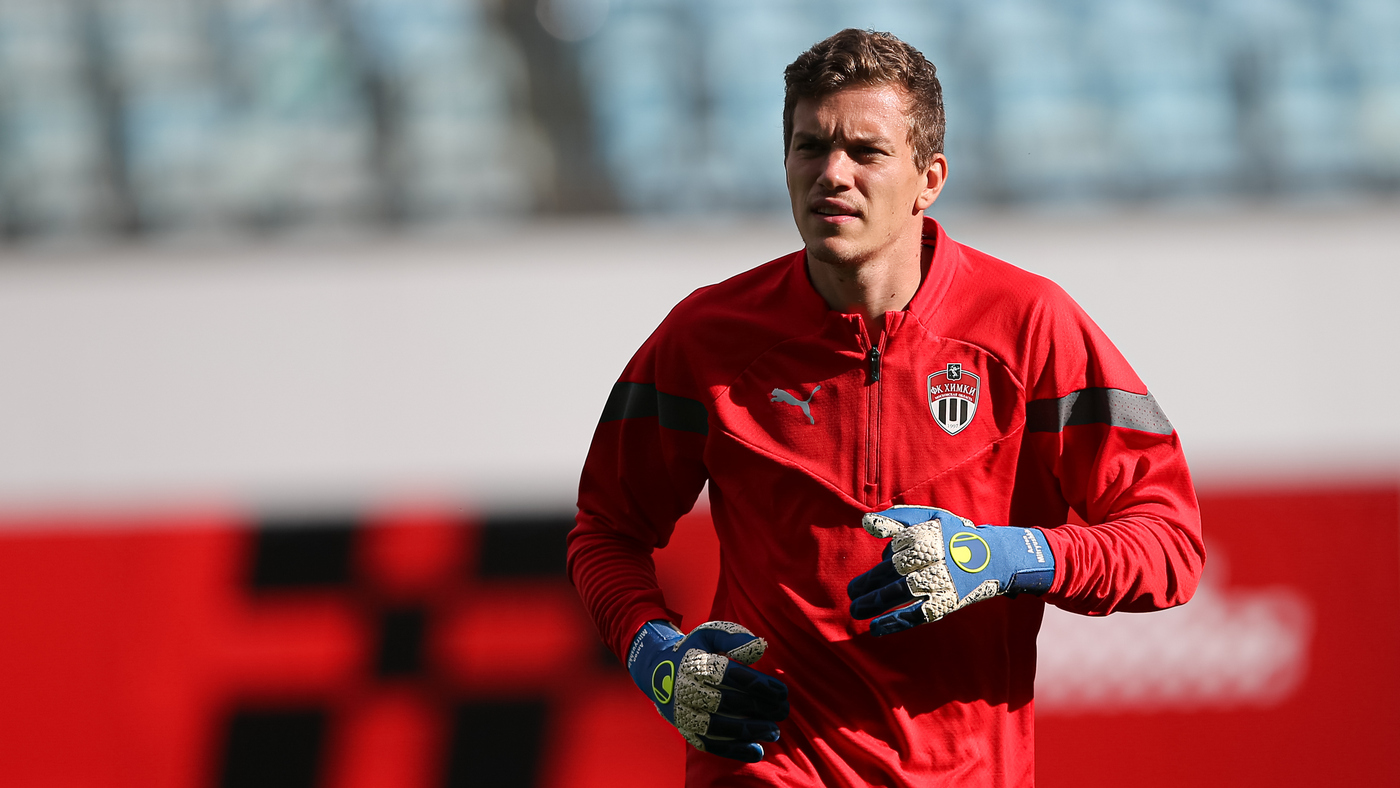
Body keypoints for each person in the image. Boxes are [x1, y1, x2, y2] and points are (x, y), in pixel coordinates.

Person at [568, 28, 1204, 788]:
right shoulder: (705, 336)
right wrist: (657, 656)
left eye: (865, 152)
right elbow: (604, 531)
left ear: (928, 179)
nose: (832, 174)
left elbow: (1169, 546)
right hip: (765, 770)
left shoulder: (1031, 325)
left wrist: (1004, 558)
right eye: (810, 147)